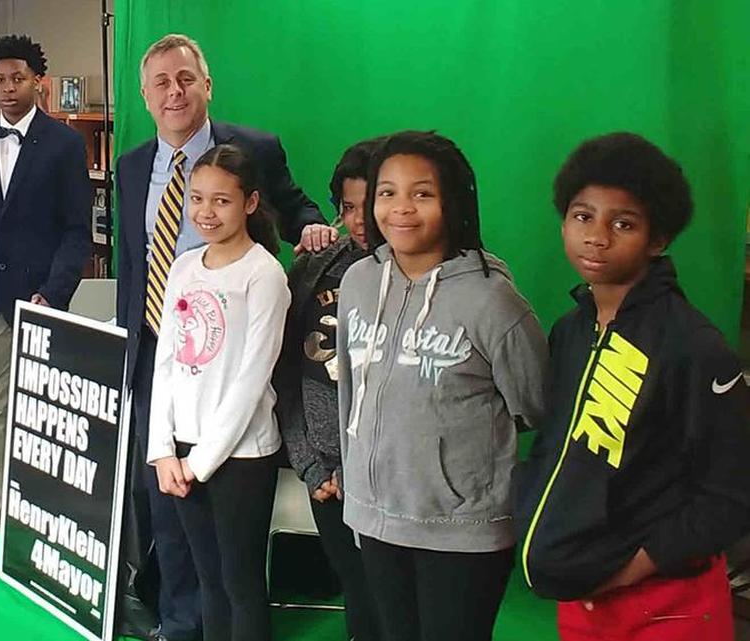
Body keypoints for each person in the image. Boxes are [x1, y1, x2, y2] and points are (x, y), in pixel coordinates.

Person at [114, 33, 330, 641]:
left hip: (235, 363)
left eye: (186, 79)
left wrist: (312, 229)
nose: (174, 92)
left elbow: (294, 207)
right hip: (161, 350)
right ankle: (183, 623)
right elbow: (133, 261)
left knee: (232, 561)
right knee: (166, 505)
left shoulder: (253, 153)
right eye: (161, 83)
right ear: (146, 96)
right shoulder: (133, 166)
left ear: (207, 86)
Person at [516, 132, 750, 641]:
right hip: (583, 601)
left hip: (668, 606)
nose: (597, 236)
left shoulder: (693, 345)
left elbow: (728, 495)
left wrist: (628, 571)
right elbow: (556, 452)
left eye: (623, 223)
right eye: (582, 216)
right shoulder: (570, 331)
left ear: (657, 238)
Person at [335, 131, 547, 641]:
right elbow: (349, 389)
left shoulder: (492, 301)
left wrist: (450, 461)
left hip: (461, 531)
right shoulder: (359, 283)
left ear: (453, 201)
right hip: (375, 516)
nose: (401, 208)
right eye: (387, 192)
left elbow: (537, 405)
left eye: (422, 193)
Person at [0, 34, 92, 557]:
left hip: (44, 299)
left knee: (45, 409)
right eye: (0, 79)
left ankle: (41, 505)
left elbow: (78, 230)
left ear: (38, 82)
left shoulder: (65, 143)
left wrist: (53, 294)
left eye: (18, 78)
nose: (8, 88)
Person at [147, 143, 290, 641]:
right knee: (207, 578)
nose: (206, 212)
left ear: (250, 203)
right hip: (182, 453)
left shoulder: (264, 274)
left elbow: (252, 379)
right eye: (198, 198)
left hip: (241, 457)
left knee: (240, 581)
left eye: (222, 201)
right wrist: (164, 451)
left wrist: (198, 463)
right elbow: (166, 359)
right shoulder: (184, 266)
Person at [273, 141, 377, 640]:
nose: (359, 221)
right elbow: (286, 374)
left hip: (386, 479)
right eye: (348, 207)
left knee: (393, 596)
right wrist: (312, 463)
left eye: (371, 204)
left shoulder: (419, 274)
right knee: (357, 587)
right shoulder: (314, 266)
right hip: (325, 474)